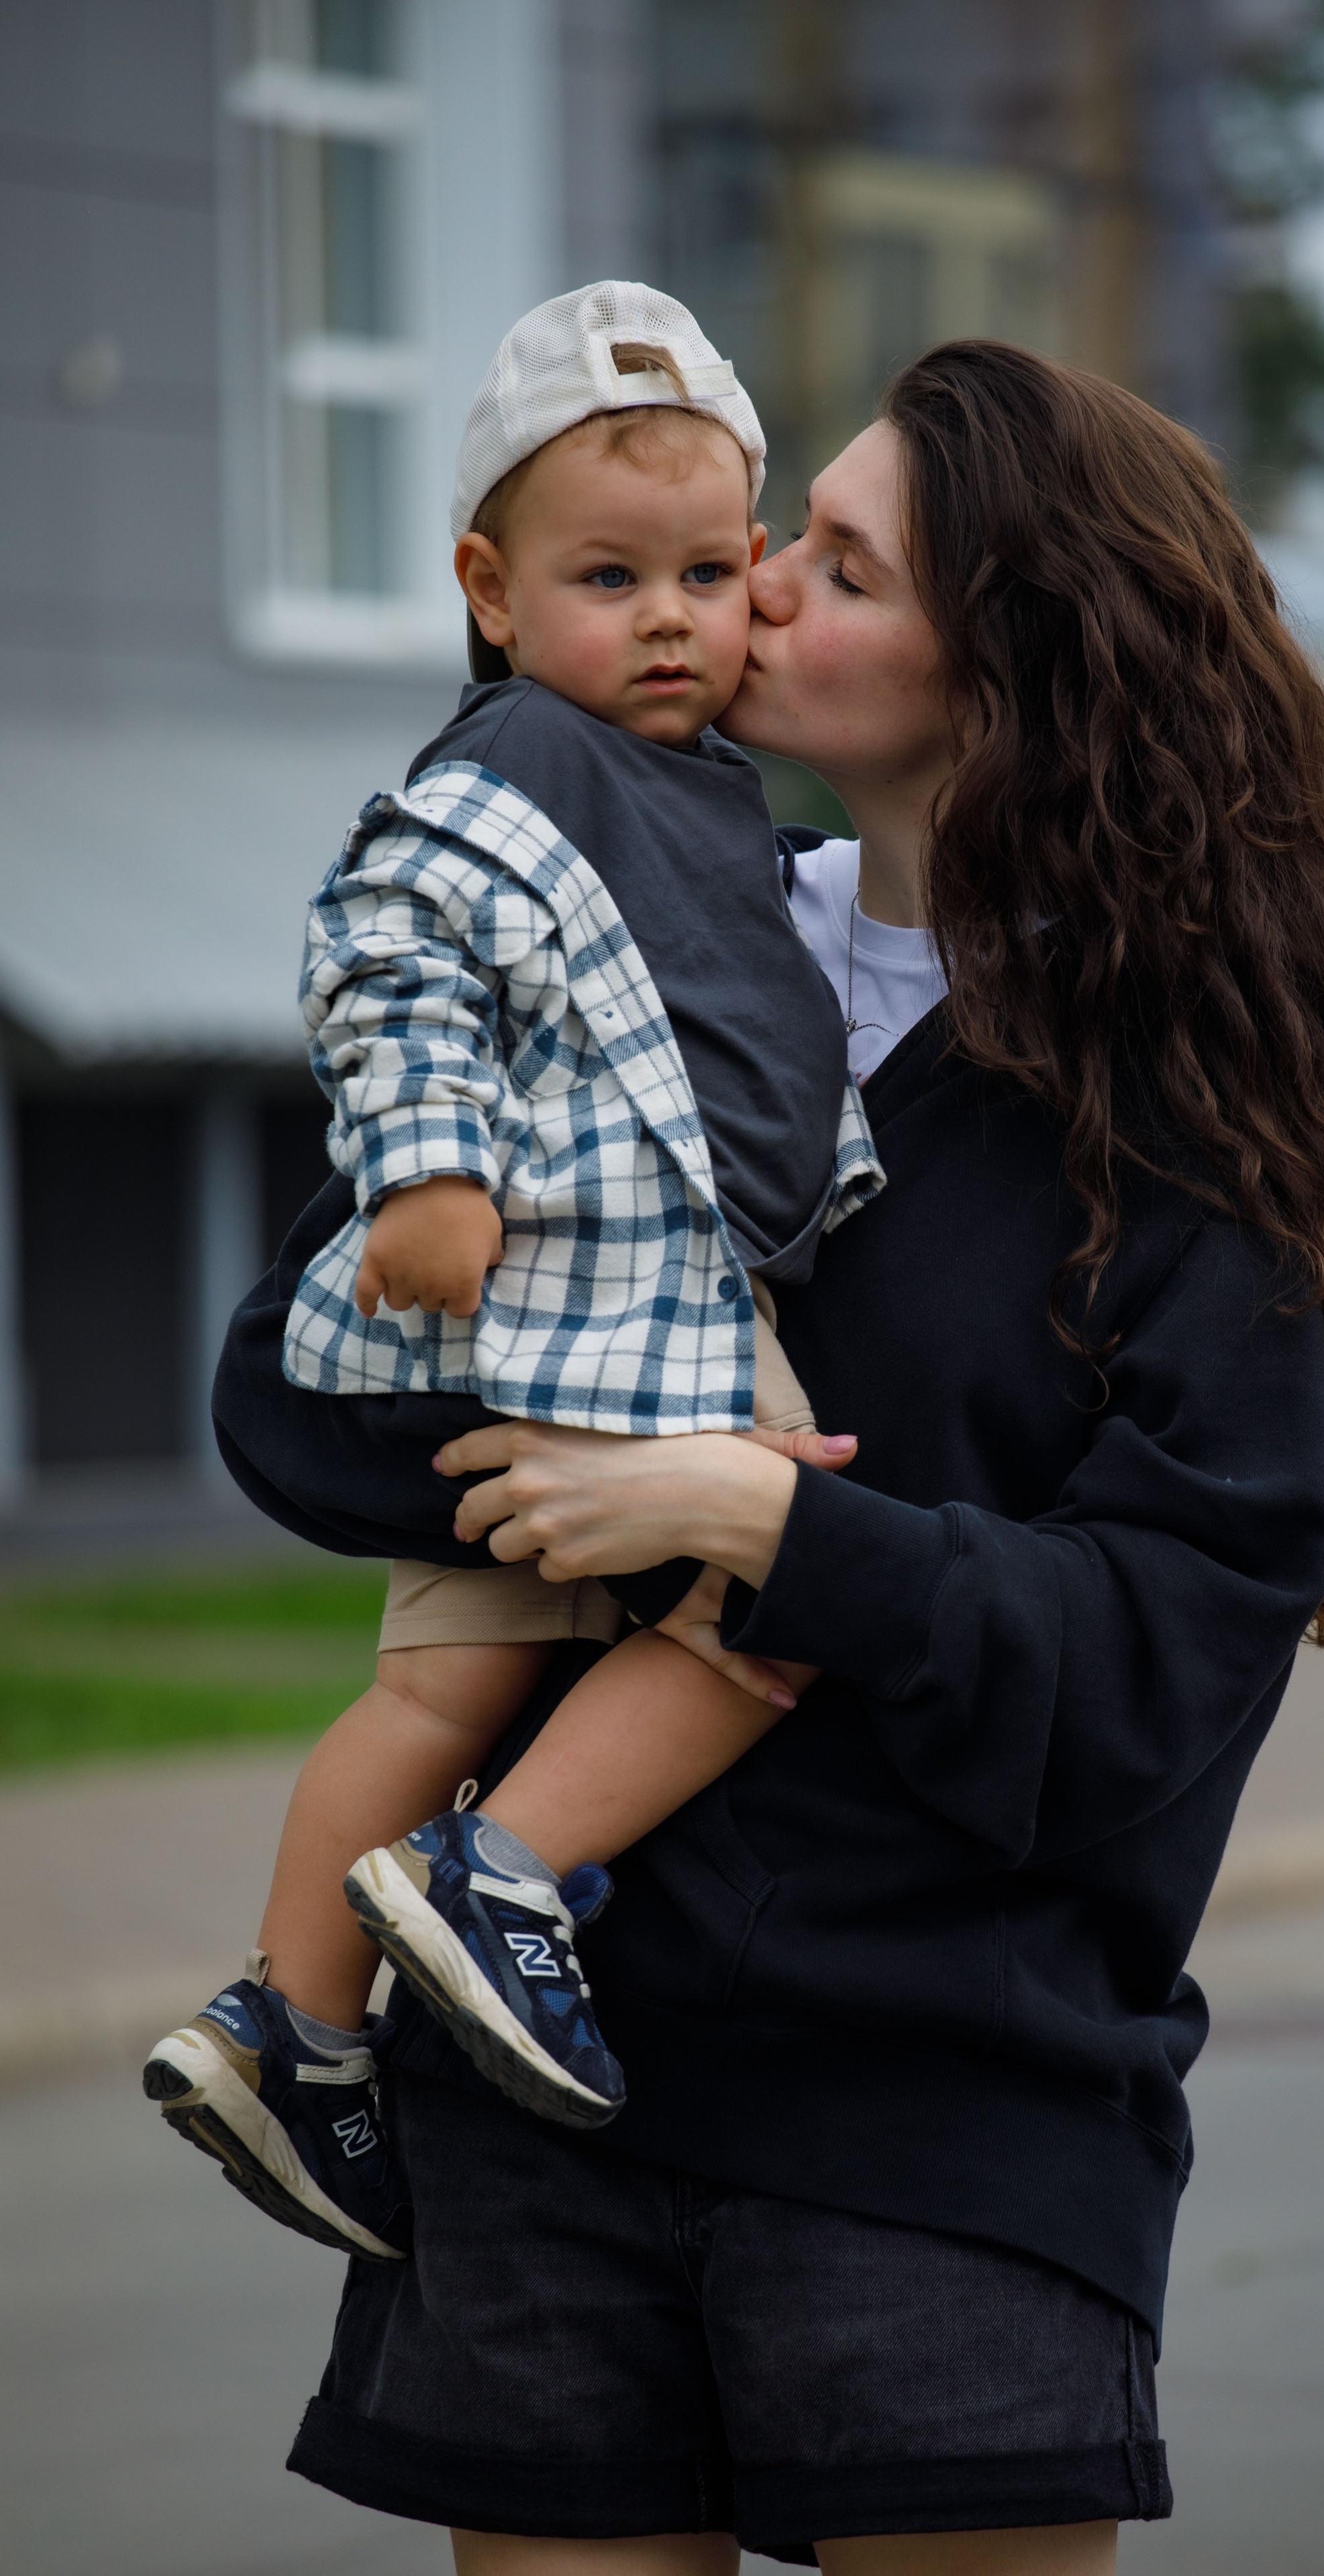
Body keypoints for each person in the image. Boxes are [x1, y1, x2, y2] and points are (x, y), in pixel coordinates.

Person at [291, 339, 1324, 2575]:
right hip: (532, 2104)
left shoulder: (1194, 1108)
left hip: (948, 2138)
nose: (751, 584)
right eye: (790, 533)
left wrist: (772, 1524)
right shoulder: (620, 938)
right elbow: (297, 1384)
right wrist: (522, 1415)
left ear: (1019, 678)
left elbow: (1161, 1653)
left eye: (842, 567)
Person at [142, 282, 883, 2261]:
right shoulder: (521, 760)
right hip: (619, 1310)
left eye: (709, 574)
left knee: (447, 1679)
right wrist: (429, 1170)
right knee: (782, 1603)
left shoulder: (698, 787)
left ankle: (293, 2031)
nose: (672, 621)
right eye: (606, 578)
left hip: (581, 1320)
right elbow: (386, 946)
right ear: (489, 590)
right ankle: (506, 1879)